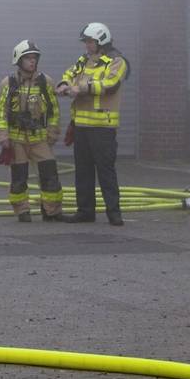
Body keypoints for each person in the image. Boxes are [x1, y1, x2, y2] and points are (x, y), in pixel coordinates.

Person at [56, 22, 129, 226]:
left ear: (101, 41)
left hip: (102, 128)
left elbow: (110, 84)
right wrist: (63, 85)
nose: (87, 46)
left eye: (90, 42)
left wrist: (81, 88)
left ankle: (114, 213)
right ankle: (85, 211)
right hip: (81, 127)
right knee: (83, 171)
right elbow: (69, 74)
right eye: (86, 42)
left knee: (106, 171)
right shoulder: (83, 61)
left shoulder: (116, 61)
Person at [0, 40, 60, 222]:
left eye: (34, 58)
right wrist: (3, 136)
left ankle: (51, 211)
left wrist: (53, 133)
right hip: (16, 140)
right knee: (18, 178)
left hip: (40, 139)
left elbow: (54, 110)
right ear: (19, 60)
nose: (32, 62)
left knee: (50, 175)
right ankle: (22, 211)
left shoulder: (46, 82)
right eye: (28, 58)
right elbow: (0, 111)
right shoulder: (9, 83)